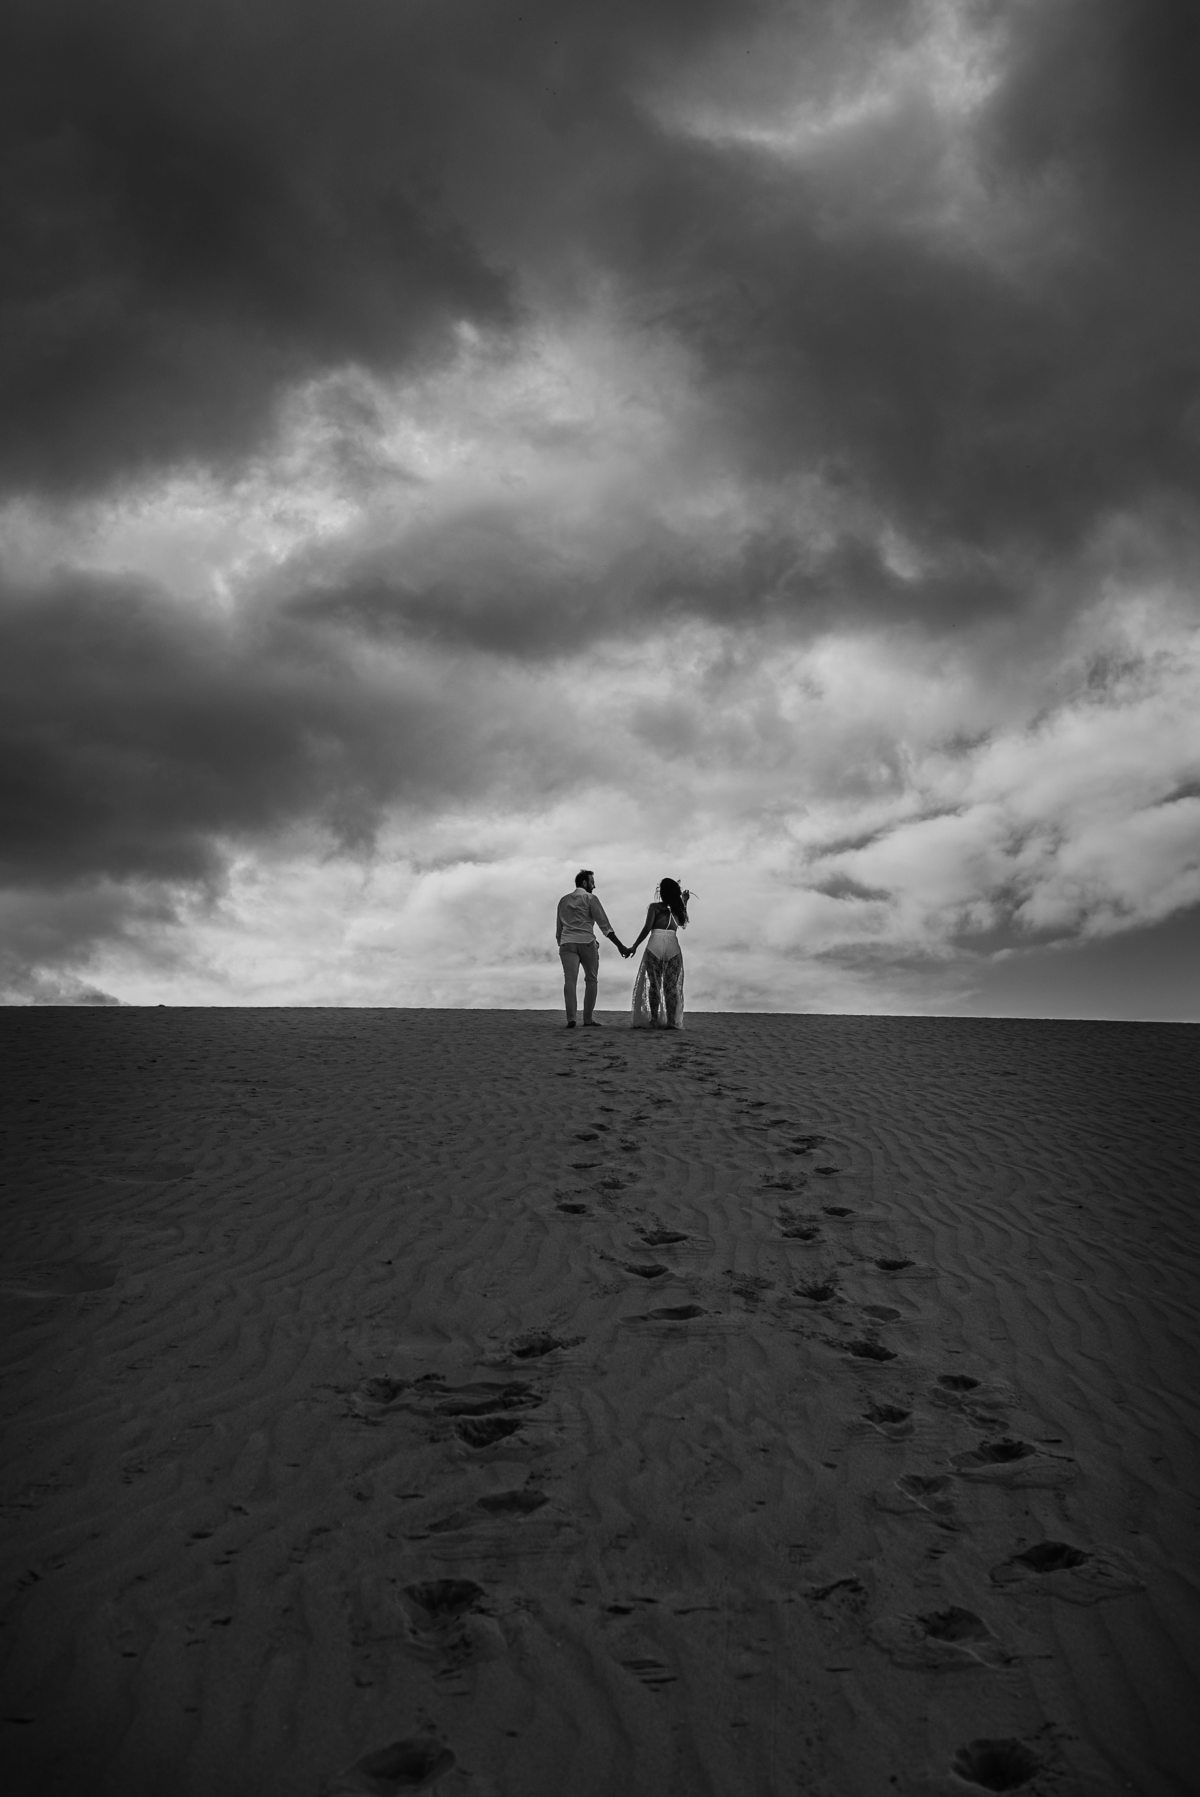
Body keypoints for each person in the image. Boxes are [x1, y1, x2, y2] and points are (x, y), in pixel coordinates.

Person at [555, 869, 631, 1028]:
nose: (594, 885)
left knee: (570, 981)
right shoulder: (590, 898)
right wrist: (620, 946)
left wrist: (562, 943)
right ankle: (588, 1019)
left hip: (567, 943)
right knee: (591, 979)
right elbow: (605, 927)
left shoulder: (563, 900)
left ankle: (571, 1019)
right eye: (592, 882)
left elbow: (559, 929)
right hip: (587, 943)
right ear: (584, 883)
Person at [628, 877, 689, 1029]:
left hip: (655, 943)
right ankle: (671, 1021)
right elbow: (683, 924)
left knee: (654, 984)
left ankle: (654, 1019)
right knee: (671, 986)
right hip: (672, 946)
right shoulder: (677, 909)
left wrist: (635, 945)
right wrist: (684, 902)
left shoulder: (654, 908)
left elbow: (647, 928)